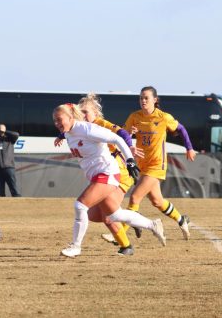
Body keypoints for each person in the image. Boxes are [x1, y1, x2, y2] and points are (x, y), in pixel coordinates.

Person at [53, 103, 165, 258]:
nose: (57, 123)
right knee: (113, 216)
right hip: (97, 177)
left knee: (80, 206)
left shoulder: (86, 129)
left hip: (107, 173)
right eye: (55, 121)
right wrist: (60, 136)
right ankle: (152, 225)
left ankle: (76, 246)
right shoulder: (69, 132)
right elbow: (67, 132)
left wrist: (130, 160)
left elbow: (117, 138)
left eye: (60, 119)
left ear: (71, 117)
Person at [122, 86, 196, 241]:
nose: (143, 101)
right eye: (141, 98)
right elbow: (123, 136)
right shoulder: (134, 117)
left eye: (146, 98)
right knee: (157, 201)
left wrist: (189, 148)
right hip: (142, 164)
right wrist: (130, 133)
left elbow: (181, 129)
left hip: (157, 165)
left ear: (155, 100)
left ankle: (120, 236)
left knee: (135, 198)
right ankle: (182, 220)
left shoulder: (163, 117)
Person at [0, 123, 21, 197]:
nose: (1, 132)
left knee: (14, 190)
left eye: (2, 131)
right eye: (0, 130)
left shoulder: (9, 138)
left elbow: (16, 134)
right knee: (1, 192)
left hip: (9, 168)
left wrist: (5, 132)